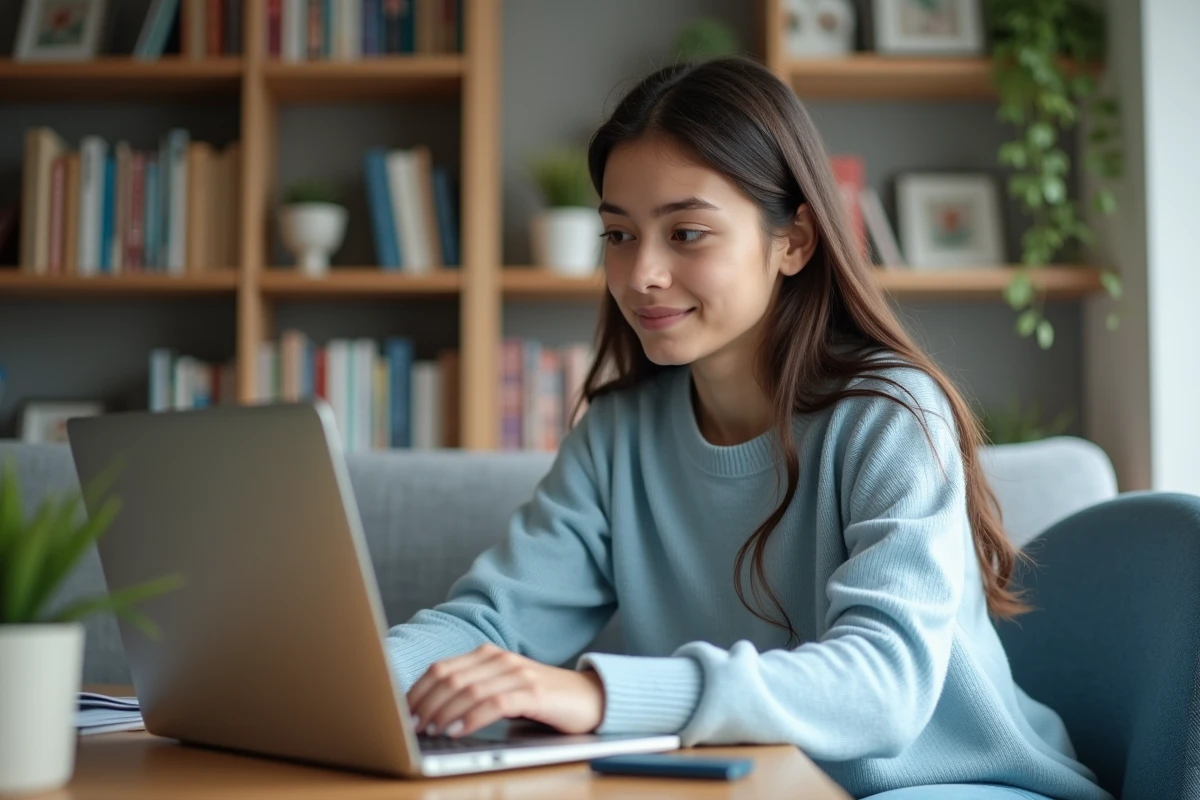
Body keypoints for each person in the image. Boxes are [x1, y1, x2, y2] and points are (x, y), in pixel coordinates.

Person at [384, 56, 1111, 800]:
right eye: (619, 236)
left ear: (793, 240)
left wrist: (603, 698)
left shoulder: (890, 413)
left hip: (954, 783)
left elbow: (883, 685)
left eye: (687, 233)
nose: (641, 275)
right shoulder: (618, 434)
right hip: (760, 785)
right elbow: (494, 623)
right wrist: (349, 681)